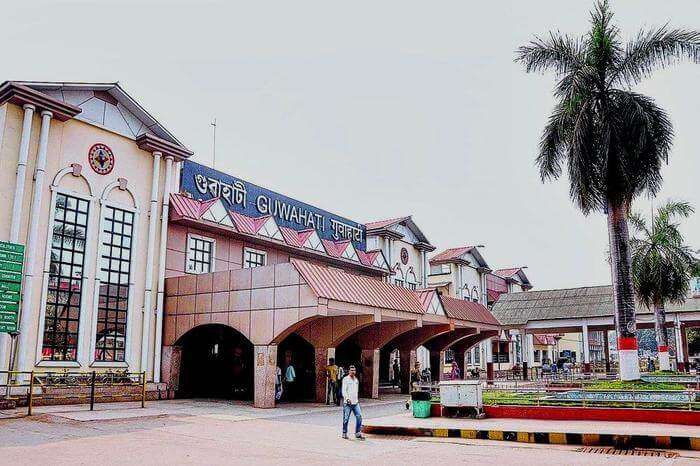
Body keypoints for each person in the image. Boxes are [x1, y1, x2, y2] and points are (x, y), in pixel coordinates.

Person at [341, 365, 364, 440]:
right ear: (348, 371)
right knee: (346, 418)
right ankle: (344, 433)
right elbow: (344, 390)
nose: (353, 372)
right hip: (347, 403)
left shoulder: (356, 380)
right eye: (351, 370)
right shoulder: (345, 379)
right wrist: (347, 399)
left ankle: (357, 433)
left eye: (354, 370)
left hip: (355, 403)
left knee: (359, 417)